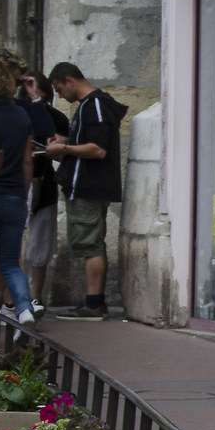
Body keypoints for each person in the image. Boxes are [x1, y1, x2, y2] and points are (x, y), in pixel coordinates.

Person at [43, 62, 124, 319]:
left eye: (59, 89)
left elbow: (98, 148)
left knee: (90, 245)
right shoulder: (90, 106)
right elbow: (90, 142)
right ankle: (94, 301)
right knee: (92, 243)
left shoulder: (95, 105)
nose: (61, 96)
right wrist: (66, 141)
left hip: (89, 185)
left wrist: (63, 149)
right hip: (89, 185)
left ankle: (92, 303)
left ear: (70, 81)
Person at [0, 50, 37, 323]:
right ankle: (23, 310)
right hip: (13, 194)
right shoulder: (21, 116)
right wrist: (23, 195)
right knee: (11, 263)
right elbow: (27, 162)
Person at [19, 71, 66, 311]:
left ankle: (35, 296)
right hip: (14, 183)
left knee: (40, 241)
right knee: (10, 244)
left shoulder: (54, 116)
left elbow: (56, 142)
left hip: (42, 181)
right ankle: (10, 298)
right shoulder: (14, 112)